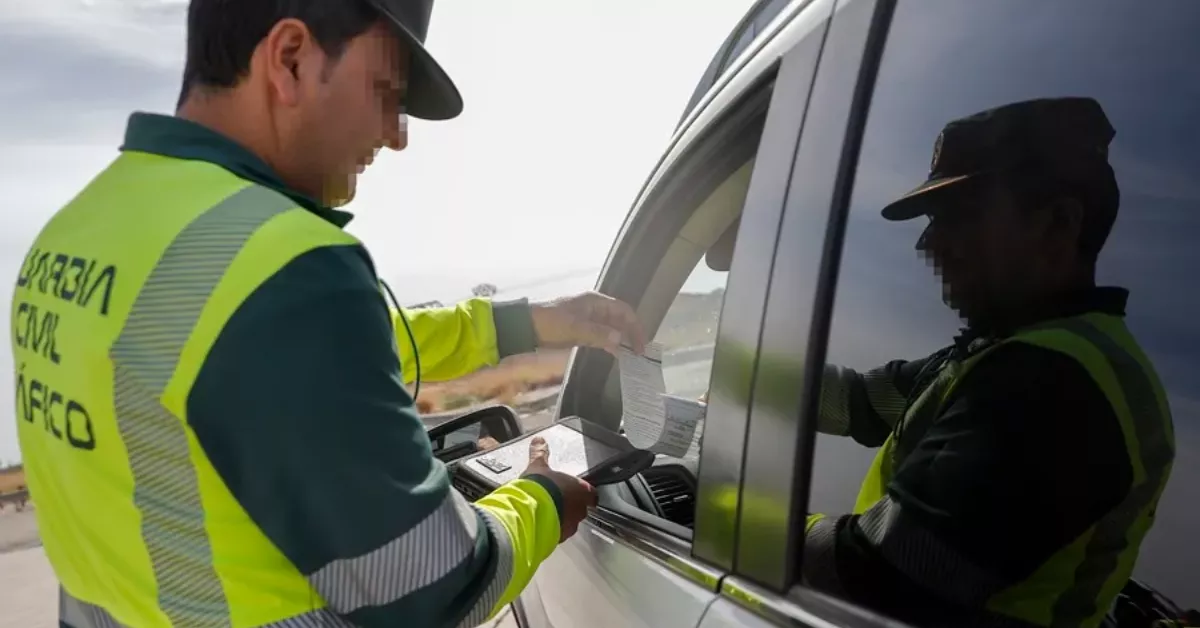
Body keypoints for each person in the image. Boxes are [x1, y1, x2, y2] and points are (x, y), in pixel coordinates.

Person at [10, 1, 647, 627]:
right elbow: (434, 585)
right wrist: (542, 496)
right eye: (386, 92)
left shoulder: (75, 233)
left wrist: (530, 321)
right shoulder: (280, 267)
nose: (397, 135)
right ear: (289, 59)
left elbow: (275, 360)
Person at [795, 98, 1175, 627]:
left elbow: (882, 577)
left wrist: (748, 523)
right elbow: (858, 402)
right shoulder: (1002, 351)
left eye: (958, 216)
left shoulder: (1052, 384)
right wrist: (742, 382)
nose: (929, 243)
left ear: (1057, 224)